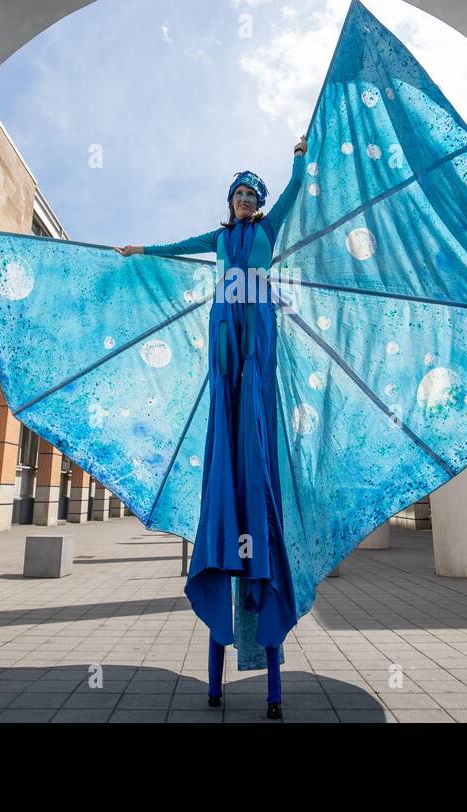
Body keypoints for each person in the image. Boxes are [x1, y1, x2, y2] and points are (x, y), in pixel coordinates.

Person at [114, 136, 307, 719]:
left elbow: (297, 193)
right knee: (227, 382)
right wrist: (142, 250)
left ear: (260, 201)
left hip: (258, 319)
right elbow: (181, 247)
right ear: (230, 203)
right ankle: (219, 683)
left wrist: (299, 160)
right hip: (225, 320)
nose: (245, 201)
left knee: (254, 383)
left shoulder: (270, 230)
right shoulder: (221, 238)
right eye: (239, 196)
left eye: (252, 195)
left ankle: (250, 424)